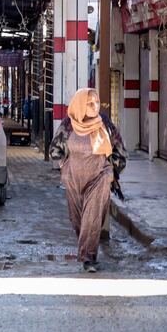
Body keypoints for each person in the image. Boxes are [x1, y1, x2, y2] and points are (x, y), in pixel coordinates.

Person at [49, 88, 127, 273]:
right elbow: (54, 150)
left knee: (92, 217)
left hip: (99, 177)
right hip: (74, 179)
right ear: (80, 105)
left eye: (97, 103)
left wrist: (110, 172)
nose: (95, 106)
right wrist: (64, 167)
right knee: (77, 220)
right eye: (90, 103)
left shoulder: (104, 123)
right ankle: (86, 249)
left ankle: (88, 258)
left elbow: (120, 151)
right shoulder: (68, 125)